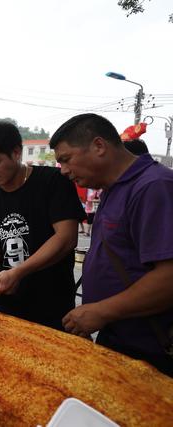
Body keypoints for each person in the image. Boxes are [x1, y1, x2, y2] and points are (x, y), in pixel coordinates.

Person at [51, 113, 173, 376]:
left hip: (151, 350)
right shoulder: (111, 188)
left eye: (65, 159)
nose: (63, 171)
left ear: (99, 146)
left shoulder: (153, 187)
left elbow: (168, 277)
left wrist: (102, 311)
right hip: (117, 338)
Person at [0, 121, 85, 330]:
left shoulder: (53, 182)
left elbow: (66, 238)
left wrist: (19, 272)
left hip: (51, 306)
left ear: (16, 153)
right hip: (3, 302)